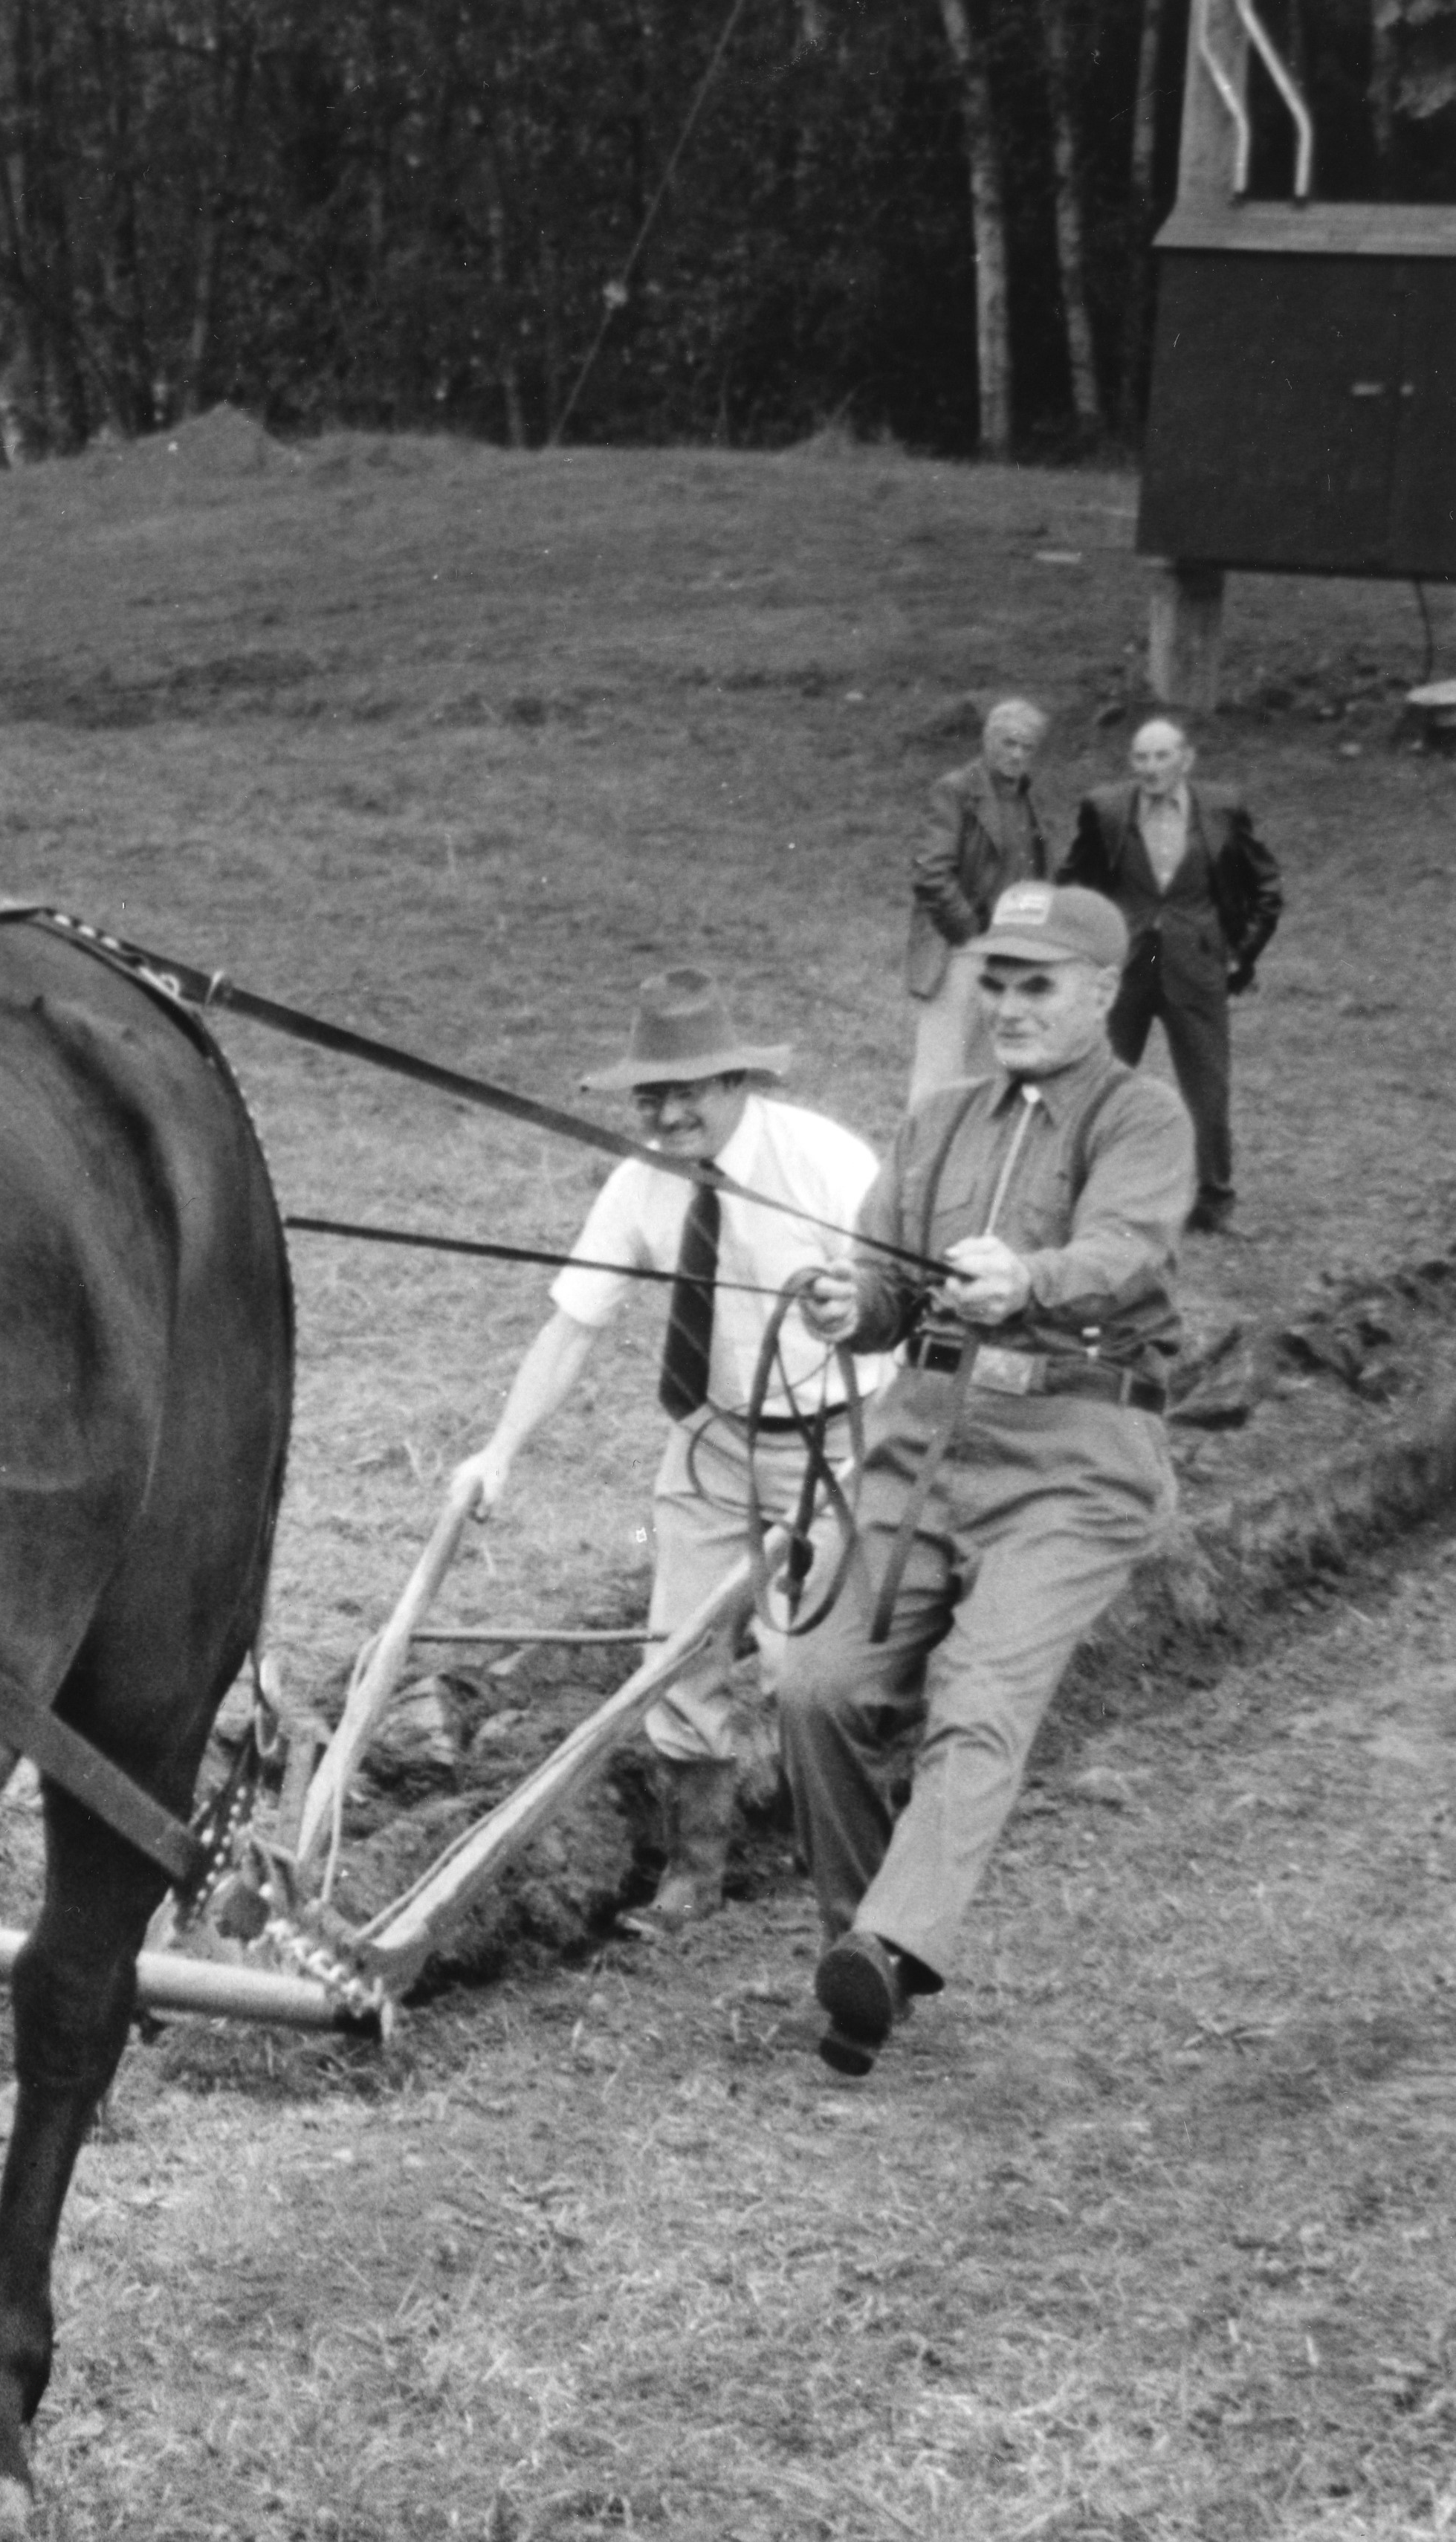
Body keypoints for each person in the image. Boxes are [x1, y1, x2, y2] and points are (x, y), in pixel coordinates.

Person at [780, 879, 1193, 2077]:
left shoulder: (1139, 1118)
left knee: (977, 1701)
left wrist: (1029, 1280)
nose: (1005, 1007)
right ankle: (862, 1959)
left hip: (1075, 1458)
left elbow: (1122, 1250)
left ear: (1100, 994)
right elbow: (884, 1291)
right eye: (994, 985)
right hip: (921, 1438)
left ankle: (893, 1940)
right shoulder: (940, 1119)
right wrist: (846, 1302)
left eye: (1035, 986)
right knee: (813, 1685)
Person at [450, 968, 886, 1930]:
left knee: (803, 1662)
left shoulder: (824, 1163)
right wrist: (499, 1450)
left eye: (687, 1090)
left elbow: (896, 1296)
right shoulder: (639, 1184)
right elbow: (573, 1324)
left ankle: (847, 1855)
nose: (667, 1112)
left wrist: (855, 1304)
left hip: (839, 1441)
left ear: (736, 1084)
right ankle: (692, 1873)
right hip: (710, 1439)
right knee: (674, 1654)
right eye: (651, 1094)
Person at [1058, 707, 1278, 1230]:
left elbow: (1266, 888)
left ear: (1187, 760)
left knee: (1208, 1086)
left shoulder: (1223, 809)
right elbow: (1073, 884)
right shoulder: (1106, 809)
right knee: (1098, 1076)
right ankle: (1074, 1192)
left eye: (1162, 755)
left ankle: (1214, 1201)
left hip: (1194, 965)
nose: (1150, 766)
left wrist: (1238, 954)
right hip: (1129, 962)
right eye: (1141, 756)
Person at [904, 696, 1053, 1102]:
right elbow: (931, 873)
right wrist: (969, 933)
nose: (1017, 754)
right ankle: (919, 1165)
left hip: (1009, 957)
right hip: (959, 950)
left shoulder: (1026, 798)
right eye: (1009, 743)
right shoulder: (955, 792)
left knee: (990, 1077)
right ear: (988, 741)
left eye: (1027, 748)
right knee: (938, 1079)